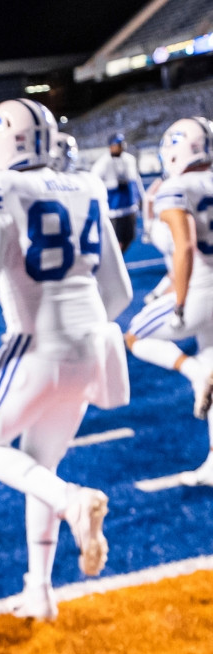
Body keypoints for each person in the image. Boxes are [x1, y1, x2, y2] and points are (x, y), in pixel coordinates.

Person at [0, 99, 133, 622]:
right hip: (94, 345)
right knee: (39, 467)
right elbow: (119, 290)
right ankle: (41, 591)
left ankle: (73, 503)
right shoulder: (88, 184)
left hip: (38, 342)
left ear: (0, 140)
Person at [123, 117, 213, 484]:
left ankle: (194, 372)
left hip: (199, 291)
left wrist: (178, 299)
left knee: (135, 336)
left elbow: (186, 246)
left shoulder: (176, 186)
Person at [90, 132, 145, 253]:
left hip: (130, 207)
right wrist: (113, 185)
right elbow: (93, 182)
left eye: (121, 144)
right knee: (114, 241)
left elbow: (136, 180)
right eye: (117, 144)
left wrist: (141, 198)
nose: (120, 147)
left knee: (129, 238)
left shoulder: (129, 159)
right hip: (113, 209)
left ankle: (118, 259)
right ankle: (115, 263)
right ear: (110, 146)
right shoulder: (103, 163)